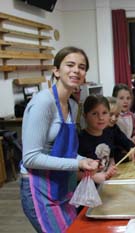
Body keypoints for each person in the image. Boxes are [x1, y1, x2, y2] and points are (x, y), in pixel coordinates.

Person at [20, 46, 99, 233]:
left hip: (62, 186)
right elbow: (30, 158)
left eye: (81, 67)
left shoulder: (72, 105)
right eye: (70, 65)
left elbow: (63, 149)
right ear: (56, 71)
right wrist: (76, 164)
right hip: (39, 188)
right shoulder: (43, 103)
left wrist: (83, 160)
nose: (76, 70)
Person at [79, 95, 135, 182]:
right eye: (94, 113)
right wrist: (94, 177)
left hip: (106, 183)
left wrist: (111, 167)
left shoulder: (108, 133)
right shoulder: (80, 139)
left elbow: (110, 157)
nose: (101, 118)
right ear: (85, 116)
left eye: (104, 113)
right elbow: (73, 174)